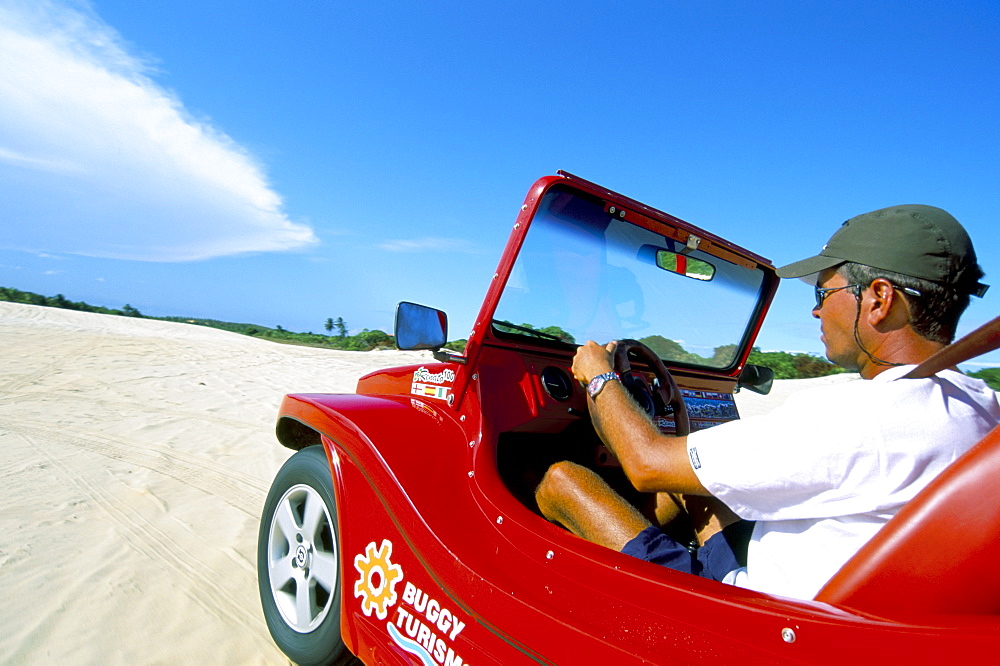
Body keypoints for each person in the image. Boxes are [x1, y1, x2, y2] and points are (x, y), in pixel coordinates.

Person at [535, 204, 1000, 601]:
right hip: (829, 608)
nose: (816, 310)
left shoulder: (856, 418)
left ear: (879, 299)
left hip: (748, 614)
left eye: (824, 292)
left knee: (561, 478)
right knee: (701, 491)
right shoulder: (982, 408)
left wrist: (600, 377)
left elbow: (645, 464)